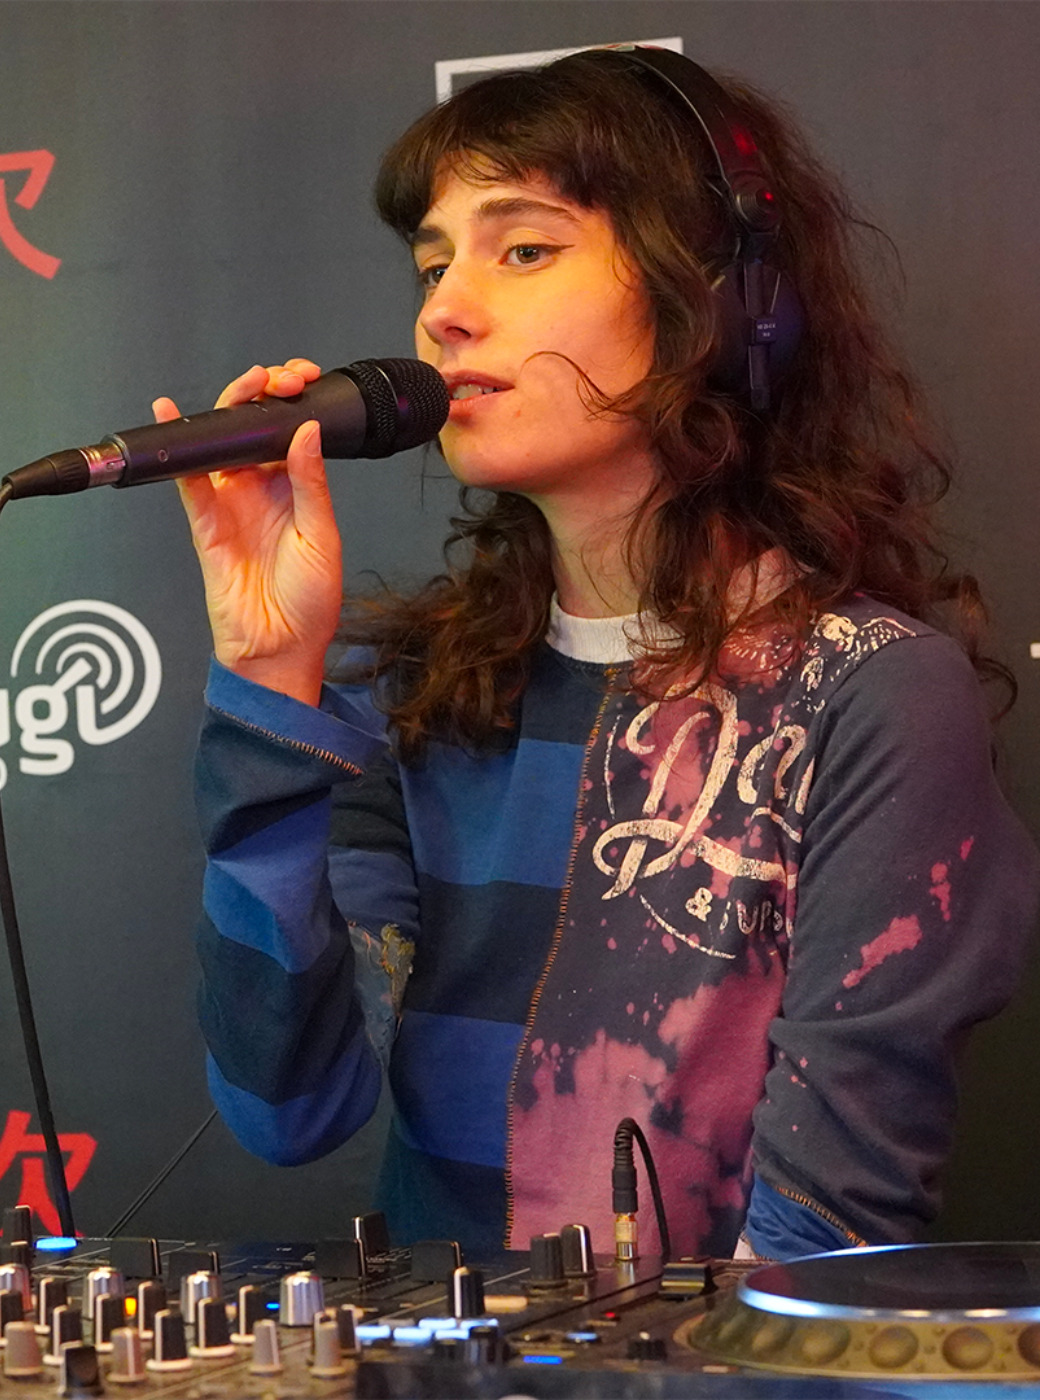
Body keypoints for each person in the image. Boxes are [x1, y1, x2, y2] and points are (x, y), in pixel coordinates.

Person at [152, 48, 1038, 1261]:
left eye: (522, 249)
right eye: (432, 263)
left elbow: (822, 1233)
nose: (443, 310)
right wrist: (266, 673)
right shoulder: (418, 696)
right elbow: (287, 1107)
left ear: (718, 299)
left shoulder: (866, 691)